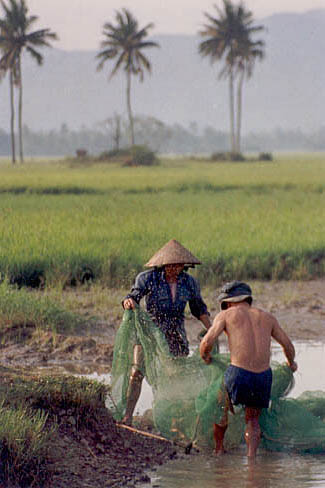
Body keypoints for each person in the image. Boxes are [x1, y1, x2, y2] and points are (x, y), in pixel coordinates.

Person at [200, 280, 297, 458]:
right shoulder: (267, 317)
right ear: (248, 299)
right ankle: (252, 461)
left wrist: (205, 356)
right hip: (263, 376)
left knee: (220, 406)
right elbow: (288, 346)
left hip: (239, 373)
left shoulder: (226, 315)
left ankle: (219, 451)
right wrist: (291, 363)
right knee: (253, 420)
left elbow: (206, 342)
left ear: (227, 302)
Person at [122, 239, 212, 425]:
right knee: (137, 371)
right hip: (148, 332)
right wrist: (128, 302)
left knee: (176, 374)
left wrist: (211, 330)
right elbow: (134, 295)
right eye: (170, 265)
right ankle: (128, 416)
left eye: (177, 265)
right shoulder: (147, 278)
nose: (173, 268)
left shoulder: (189, 283)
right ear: (162, 264)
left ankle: (167, 415)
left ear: (183, 265)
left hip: (175, 333)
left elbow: (198, 308)